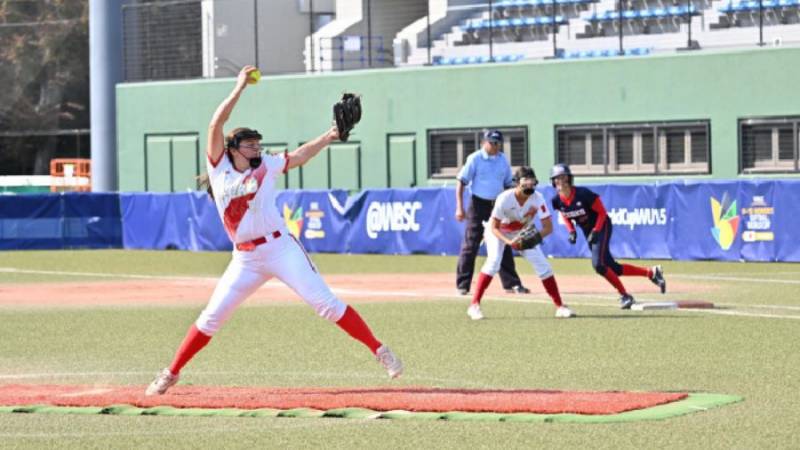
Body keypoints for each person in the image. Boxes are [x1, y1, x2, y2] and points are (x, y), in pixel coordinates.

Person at [146, 66, 402, 396]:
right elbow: (215, 124)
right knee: (211, 317)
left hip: (280, 248)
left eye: (258, 144)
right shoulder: (219, 166)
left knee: (326, 304)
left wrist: (328, 136)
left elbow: (297, 157)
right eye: (250, 145)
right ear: (233, 148)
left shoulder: (266, 163)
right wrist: (239, 87)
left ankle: (380, 350)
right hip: (245, 259)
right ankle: (171, 373)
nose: (256, 149)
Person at [549, 164, 666, 309]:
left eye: (564, 177)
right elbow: (564, 213)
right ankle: (651, 273)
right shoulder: (556, 201)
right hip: (587, 230)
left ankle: (625, 296)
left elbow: (602, 213)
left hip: (601, 225)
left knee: (598, 265)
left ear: (569, 178)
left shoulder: (583, 194)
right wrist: (571, 230)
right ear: (553, 182)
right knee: (613, 268)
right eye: (557, 179)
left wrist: (597, 231)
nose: (561, 181)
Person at [467, 167, 574, 320]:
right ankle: (474, 305)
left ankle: (560, 307)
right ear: (516, 183)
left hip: (522, 231)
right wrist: (509, 242)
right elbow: (494, 227)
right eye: (525, 184)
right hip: (499, 231)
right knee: (493, 262)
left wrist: (533, 238)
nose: (529, 187)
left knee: (544, 267)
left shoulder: (538, 198)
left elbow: (548, 227)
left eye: (532, 183)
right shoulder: (504, 198)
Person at [455, 129, 529, 296]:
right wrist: (459, 207)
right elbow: (461, 182)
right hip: (477, 204)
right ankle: (463, 285)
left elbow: (508, 184)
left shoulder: (503, 159)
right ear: (484, 142)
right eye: (492, 142)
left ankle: (512, 284)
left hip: (497, 205)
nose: (495, 146)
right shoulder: (475, 158)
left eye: (498, 143)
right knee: (470, 244)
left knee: (503, 242)